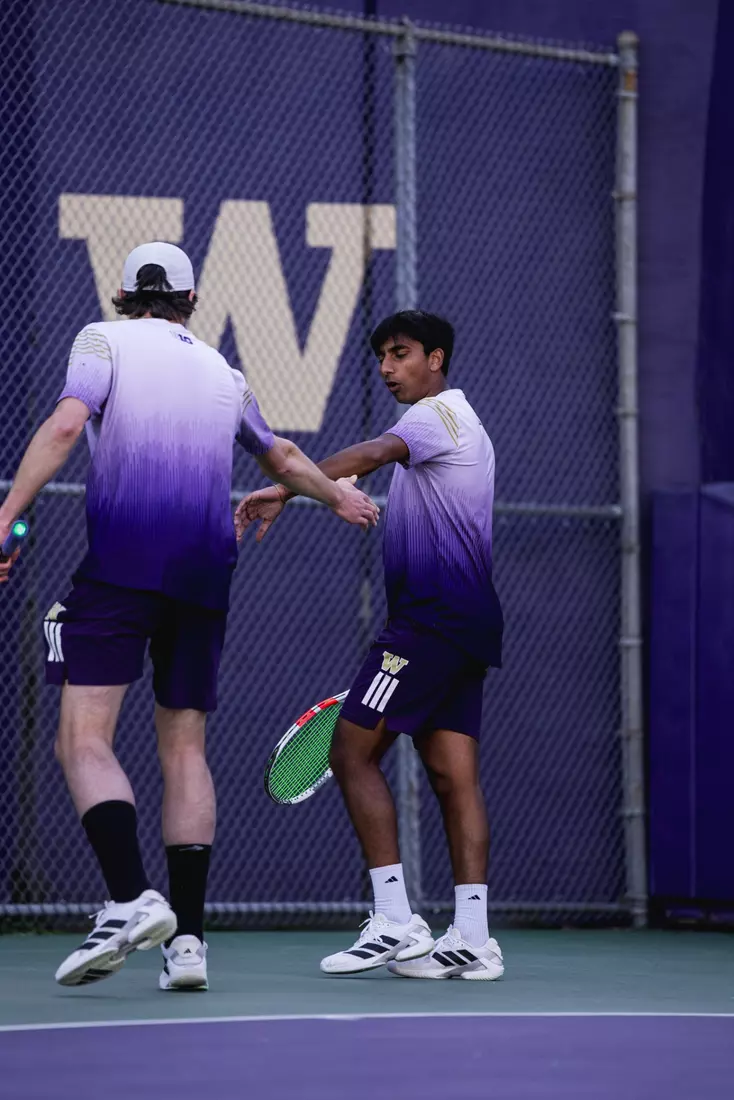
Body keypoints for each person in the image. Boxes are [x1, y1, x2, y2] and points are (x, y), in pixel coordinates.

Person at [0, 242, 378, 991]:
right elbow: (281, 457)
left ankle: (129, 900)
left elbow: (68, 426)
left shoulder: (100, 340)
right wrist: (341, 497)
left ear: (121, 293)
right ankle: (190, 946)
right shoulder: (224, 373)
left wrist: (7, 511)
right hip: (205, 576)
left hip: (123, 567)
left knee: (81, 739)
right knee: (185, 749)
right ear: (190, 302)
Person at [237, 310, 505, 980]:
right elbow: (369, 469)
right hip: (468, 622)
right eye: (382, 357)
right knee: (451, 773)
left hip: (427, 622)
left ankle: (394, 918)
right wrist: (330, 487)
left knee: (351, 751)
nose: (388, 368)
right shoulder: (452, 428)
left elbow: (371, 453)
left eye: (401, 353)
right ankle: (472, 936)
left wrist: (286, 486)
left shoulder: (434, 416)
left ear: (435, 358)